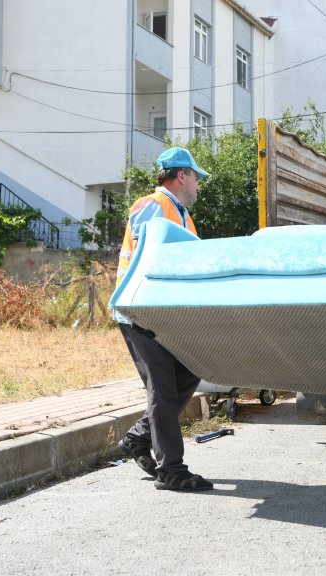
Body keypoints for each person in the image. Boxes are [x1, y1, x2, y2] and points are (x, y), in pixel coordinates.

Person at [112, 147, 214, 492]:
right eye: (196, 177)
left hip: (166, 314)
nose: (199, 184)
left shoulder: (183, 215)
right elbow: (146, 258)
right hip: (140, 310)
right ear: (182, 175)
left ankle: (139, 438)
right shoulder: (152, 205)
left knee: (190, 370)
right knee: (162, 389)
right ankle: (172, 469)